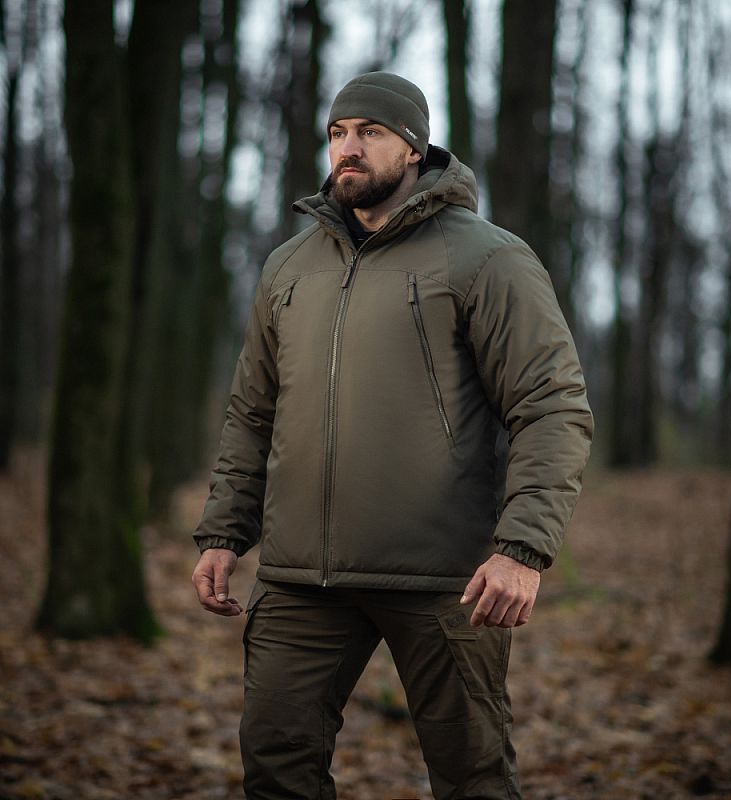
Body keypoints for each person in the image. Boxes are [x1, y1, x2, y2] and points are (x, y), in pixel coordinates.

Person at [192, 71, 593, 799]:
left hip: (446, 579)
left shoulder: (486, 258)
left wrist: (522, 551)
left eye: (370, 132)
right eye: (338, 132)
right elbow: (253, 413)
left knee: (473, 778)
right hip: (301, 578)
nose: (348, 148)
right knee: (275, 770)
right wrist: (224, 531)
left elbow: (551, 405)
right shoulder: (289, 266)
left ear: (414, 149)